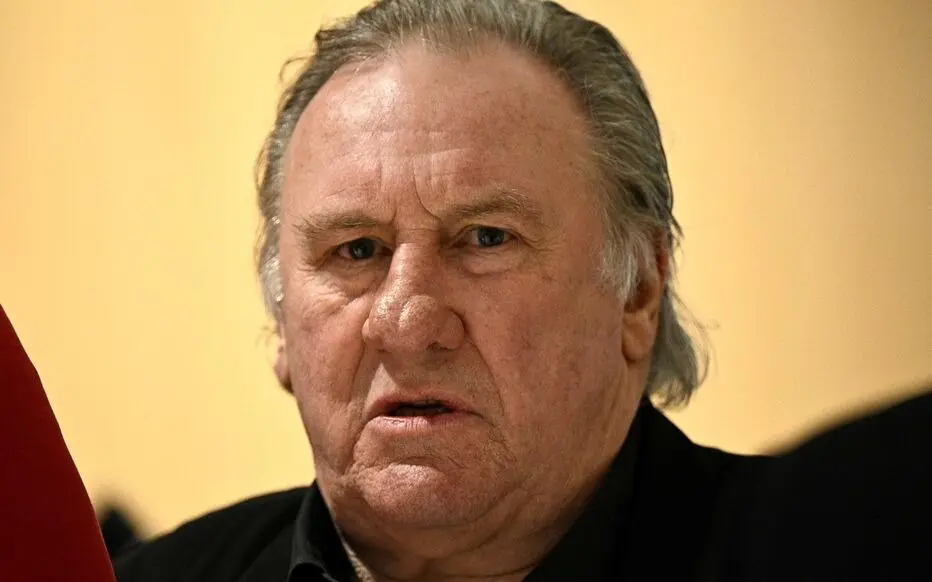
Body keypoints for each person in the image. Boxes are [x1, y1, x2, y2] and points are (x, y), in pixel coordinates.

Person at [112, 1, 932, 580]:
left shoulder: (830, 553)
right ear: (281, 323)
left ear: (639, 291)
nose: (407, 321)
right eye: (355, 251)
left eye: (485, 239)